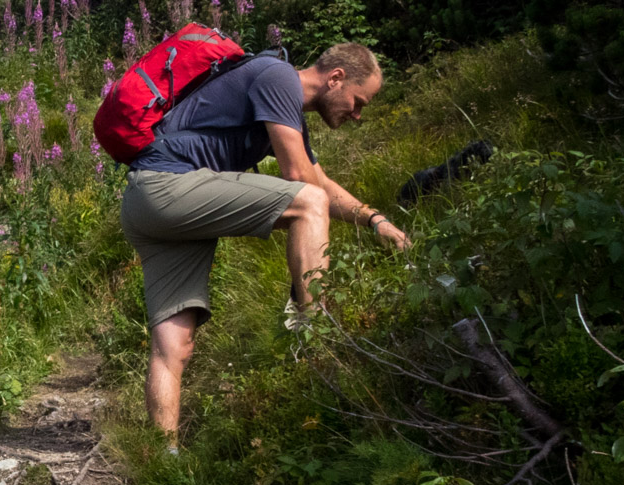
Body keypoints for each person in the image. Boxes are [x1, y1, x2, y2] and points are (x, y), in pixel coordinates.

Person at [119, 41, 411, 442]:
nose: (358, 115)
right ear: (336, 78)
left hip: (146, 201)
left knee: (174, 346)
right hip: (168, 187)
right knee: (307, 204)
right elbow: (300, 178)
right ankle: (317, 343)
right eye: (359, 102)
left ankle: (161, 457)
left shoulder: (283, 104)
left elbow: (320, 179)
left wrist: (374, 220)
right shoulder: (276, 76)